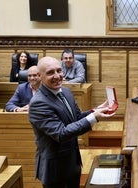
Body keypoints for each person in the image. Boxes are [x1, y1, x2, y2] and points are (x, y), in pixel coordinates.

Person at [28, 56, 114, 188]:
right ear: (40, 76)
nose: (57, 76)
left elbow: (77, 118)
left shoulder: (66, 92)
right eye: (50, 72)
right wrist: (94, 117)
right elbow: (61, 133)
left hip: (72, 163)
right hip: (55, 170)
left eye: (59, 70)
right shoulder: (38, 103)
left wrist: (96, 110)